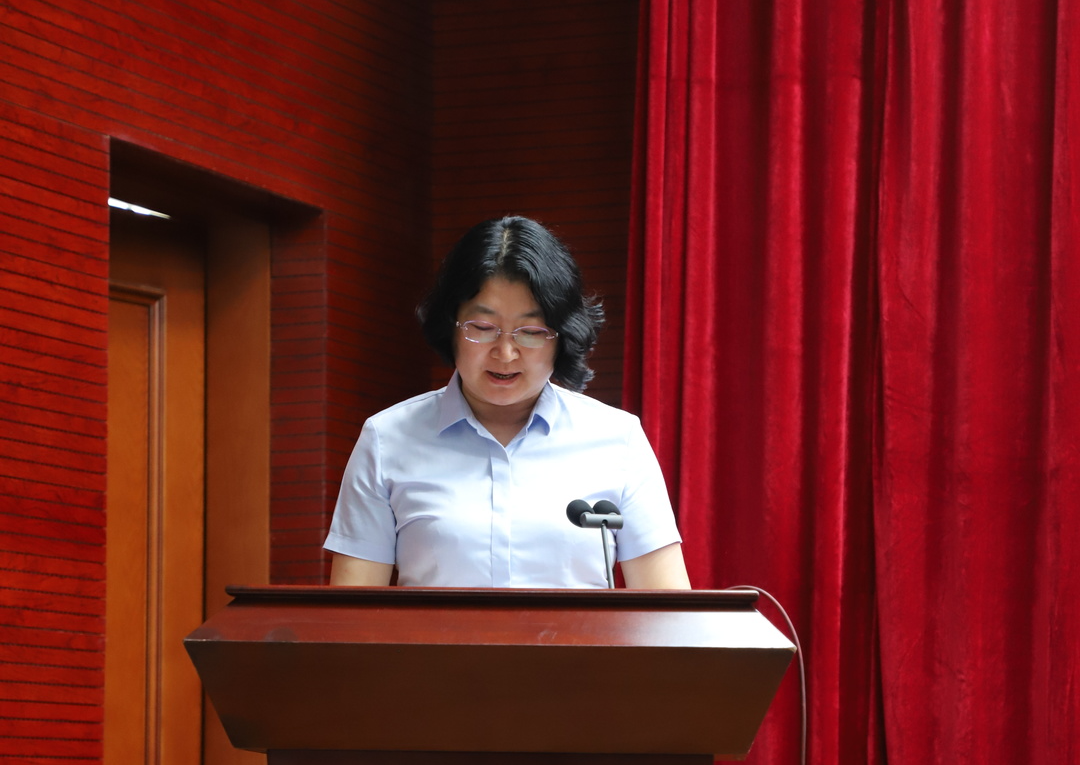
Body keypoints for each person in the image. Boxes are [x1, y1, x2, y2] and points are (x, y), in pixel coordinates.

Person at [324, 216, 690, 589]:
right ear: (451, 327)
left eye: (531, 332)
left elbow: (669, 607)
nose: (506, 352)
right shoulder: (387, 439)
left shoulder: (618, 439)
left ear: (562, 337)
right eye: (482, 328)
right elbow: (352, 610)